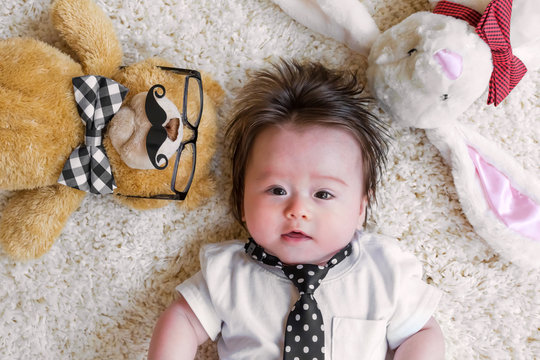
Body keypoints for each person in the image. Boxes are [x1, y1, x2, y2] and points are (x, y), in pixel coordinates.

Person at [147, 60, 444, 360]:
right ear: (242, 203)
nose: (298, 210)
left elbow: (422, 332)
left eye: (323, 194)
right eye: (277, 190)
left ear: (360, 208)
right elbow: (182, 320)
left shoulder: (382, 270)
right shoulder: (229, 273)